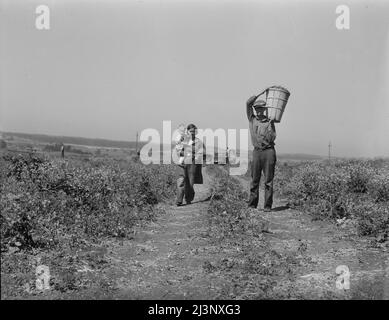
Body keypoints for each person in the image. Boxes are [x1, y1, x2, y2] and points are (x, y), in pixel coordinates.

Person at [246, 94, 277, 212]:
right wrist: (256, 95)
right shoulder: (252, 119)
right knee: (255, 179)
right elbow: (247, 103)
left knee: (268, 180)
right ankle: (252, 204)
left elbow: (273, 137)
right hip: (257, 152)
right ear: (255, 110)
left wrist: (269, 127)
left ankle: (267, 206)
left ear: (265, 110)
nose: (259, 111)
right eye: (257, 109)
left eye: (261, 109)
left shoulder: (270, 122)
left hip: (269, 152)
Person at [176, 124, 206, 206]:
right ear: (187, 131)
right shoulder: (183, 140)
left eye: (194, 131)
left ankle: (188, 198)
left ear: (196, 132)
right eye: (190, 131)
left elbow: (203, 152)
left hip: (192, 164)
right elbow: (178, 150)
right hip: (182, 162)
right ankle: (179, 200)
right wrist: (184, 152)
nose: (192, 133)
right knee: (181, 181)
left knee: (190, 182)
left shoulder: (199, 142)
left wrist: (196, 155)